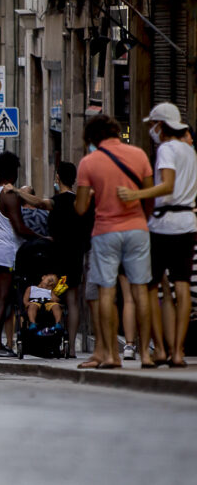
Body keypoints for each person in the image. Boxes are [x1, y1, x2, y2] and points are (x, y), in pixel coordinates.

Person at [116, 103, 196, 368]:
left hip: (164, 225)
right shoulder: (190, 151)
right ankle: (178, 352)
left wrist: (136, 195)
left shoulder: (166, 149)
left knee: (152, 287)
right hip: (187, 223)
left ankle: (160, 348)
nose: (151, 130)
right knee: (181, 286)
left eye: (153, 125)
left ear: (161, 125)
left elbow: (168, 185)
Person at [74, 114, 154, 370]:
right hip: (137, 228)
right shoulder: (139, 155)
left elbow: (81, 207)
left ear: (93, 138)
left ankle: (111, 355)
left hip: (105, 231)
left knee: (106, 292)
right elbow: (149, 196)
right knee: (140, 291)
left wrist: (93, 193)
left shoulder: (88, 162)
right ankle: (146, 354)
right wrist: (143, 219)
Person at [12, 162, 93, 357]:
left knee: (54, 295)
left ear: (57, 178)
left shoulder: (56, 202)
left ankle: (52, 330)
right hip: (75, 260)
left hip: (56, 261)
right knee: (72, 301)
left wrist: (16, 191)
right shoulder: (81, 202)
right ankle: (71, 346)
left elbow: (39, 203)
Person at [0, 152, 42, 359]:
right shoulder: (9, 195)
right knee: (1, 299)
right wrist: (41, 237)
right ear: (13, 171)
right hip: (5, 252)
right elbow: (19, 227)